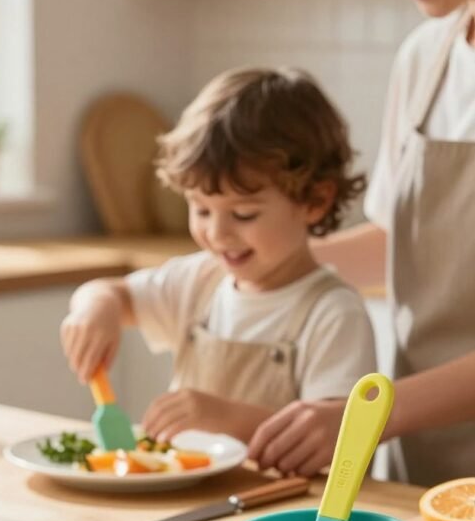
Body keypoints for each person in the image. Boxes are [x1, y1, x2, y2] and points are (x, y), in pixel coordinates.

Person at [248, 0, 475, 486]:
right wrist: (246, 262)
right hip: (426, 462)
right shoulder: (426, 57)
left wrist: (364, 414)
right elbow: (403, 243)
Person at [61, 67, 376, 442]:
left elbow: (338, 441)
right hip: (194, 498)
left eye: (244, 214)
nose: (216, 233)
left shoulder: (333, 312)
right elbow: (114, 292)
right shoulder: (199, 280)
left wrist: (225, 417)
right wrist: (96, 309)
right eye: (202, 209)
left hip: (290, 500)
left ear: (315, 200)